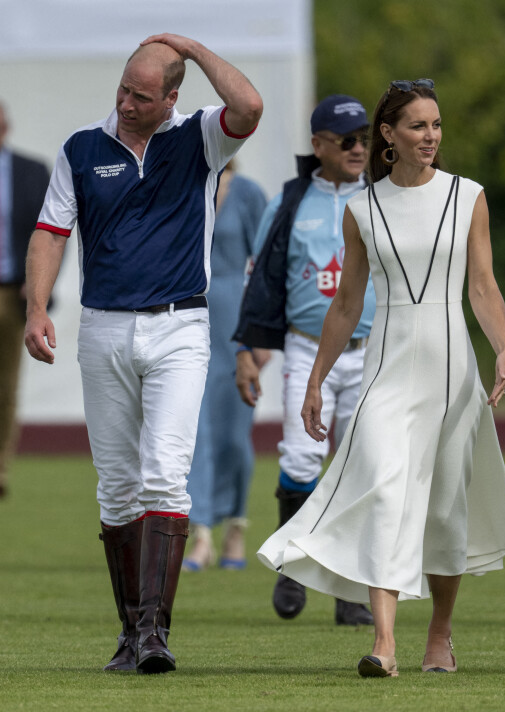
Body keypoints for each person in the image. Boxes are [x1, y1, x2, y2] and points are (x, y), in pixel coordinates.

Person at [257, 79, 505, 677]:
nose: (429, 137)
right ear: (388, 135)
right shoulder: (363, 209)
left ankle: (440, 635)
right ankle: (384, 643)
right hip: (386, 366)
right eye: (417, 126)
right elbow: (347, 302)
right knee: (381, 486)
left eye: (435, 126)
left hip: (452, 368)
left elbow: (481, 284)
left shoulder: (468, 196)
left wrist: (503, 346)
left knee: (445, 511)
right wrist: (314, 381)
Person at [24, 34, 262, 674]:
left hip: (179, 326)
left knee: (164, 471)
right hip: (102, 328)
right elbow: (51, 230)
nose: (127, 103)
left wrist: (191, 45)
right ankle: (130, 635)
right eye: (124, 90)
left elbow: (250, 104)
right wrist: (37, 306)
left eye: (143, 96)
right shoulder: (81, 147)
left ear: (172, 99)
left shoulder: (201, 138)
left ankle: (154, 635)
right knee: (117, 487)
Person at [234, 95, 376, 627]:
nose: (358, 147)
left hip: (372, 353)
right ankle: (294, 564)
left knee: (360, 467)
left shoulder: (383, 198)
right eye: (346, 139)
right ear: (317, 146)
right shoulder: (292, 200)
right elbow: (262, 276)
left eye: (363, 137)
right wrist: (247, 348)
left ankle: (348, 590)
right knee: (299, 460)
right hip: (305, 349)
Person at [182, 162, 268, 572]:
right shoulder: (184, 187)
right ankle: (200, 534)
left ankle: (236, 524)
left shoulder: (249, 193)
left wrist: (262, 336)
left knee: (235, 435)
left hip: (238, 325)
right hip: (189, 319)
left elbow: (268, 266)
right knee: (197, 432)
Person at [0, 102, 50, 499]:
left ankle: (0, 467)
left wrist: (36, 290)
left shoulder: (31, 171)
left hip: (9, 291)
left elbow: (49, 235)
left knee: (6, 384)